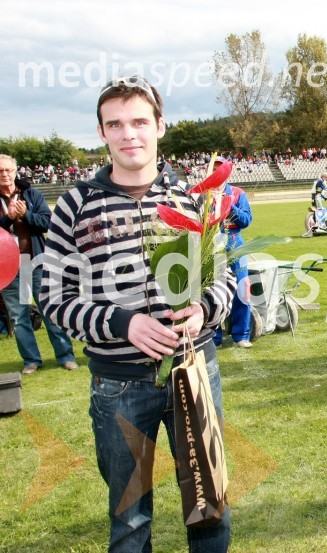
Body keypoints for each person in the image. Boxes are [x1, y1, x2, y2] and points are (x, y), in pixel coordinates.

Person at [39, 75, 234, 552]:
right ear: (102, 132)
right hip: (118, 385)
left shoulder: (191, 198)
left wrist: (202, 309)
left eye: (140, 122)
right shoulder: (74, 205)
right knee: (129, 520)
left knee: (210, 504)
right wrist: (124, 323)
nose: (130, 134)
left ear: (160, 126)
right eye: (116, 124)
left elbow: (226, 281)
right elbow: (51, 297)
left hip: (193, 371)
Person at [0, 154, 77, 375]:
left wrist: (26, 214)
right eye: (0, 171)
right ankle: (31, 360)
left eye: (8, 170)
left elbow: (49, 222)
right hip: (7, 268)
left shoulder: (31, 194)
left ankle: (66, 356)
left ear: (15, 172)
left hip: (35, 262)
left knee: (50, 311)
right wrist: (7, 219)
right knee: (19, 317)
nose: (4, 174)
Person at [212, 180, 253, 348]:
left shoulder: (237, 193)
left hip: (235, 243)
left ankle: (241, 335)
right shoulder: (204, 194)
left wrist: (229, 206)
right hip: (213, 245)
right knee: (214, 291)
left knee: (242, 288)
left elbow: (246, 220)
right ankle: (214, 337)